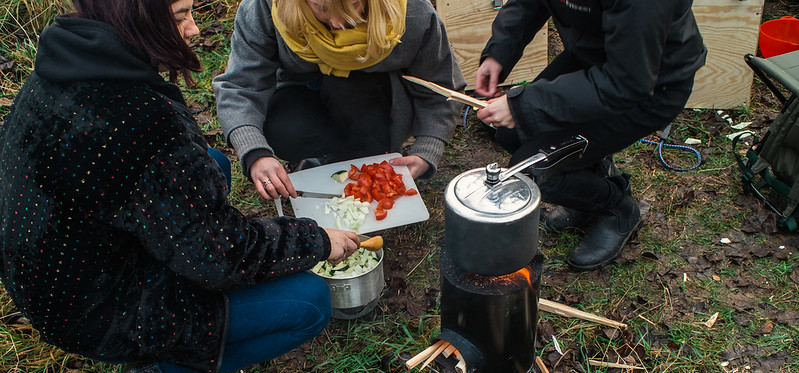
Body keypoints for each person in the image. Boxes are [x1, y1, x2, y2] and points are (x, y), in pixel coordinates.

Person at [0, 0, 361, 373]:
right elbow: (223, 257)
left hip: (48, 271)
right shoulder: (138, 120)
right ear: (133, 17)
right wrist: (316, 240)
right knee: (309, 302)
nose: (194, 30)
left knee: (212, 163)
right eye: (178, 17)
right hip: (92, 309)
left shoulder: (69, 60)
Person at [474, 0, 707, 270]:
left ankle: (617, 208)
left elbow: (627, 82)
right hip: (593, 59)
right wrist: (498, 53)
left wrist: (523, 106)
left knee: (539, 168)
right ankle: (587, 190)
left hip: (650, 86)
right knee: (511, 133)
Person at [212, 0, 465, 202]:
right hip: (301, 88)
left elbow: (440, 88)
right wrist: (255, 152)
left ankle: (360, 159)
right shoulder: (266, 6)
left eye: (353, 6)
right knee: (287, 128)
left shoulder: (412, 12)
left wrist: (427, 149)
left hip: (374, 97)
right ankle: (319, 158)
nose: (338, 23)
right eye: (321, 9)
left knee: (349, 91)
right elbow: (240, 85)